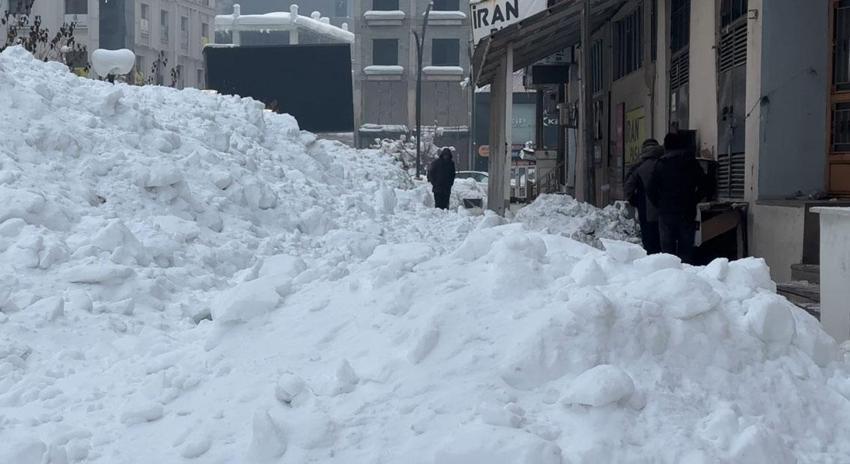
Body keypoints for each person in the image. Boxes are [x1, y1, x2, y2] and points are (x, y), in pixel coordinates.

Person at [648, 132, 710, 264]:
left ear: (666, 146)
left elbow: (650, 189)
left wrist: (659, 204)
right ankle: (685, 278)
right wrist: (695, 198)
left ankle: (670, 277)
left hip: (666, 213)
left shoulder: (660, 165)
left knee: (667, 251)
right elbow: (705, 184)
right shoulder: (691, 163)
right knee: (686, 249)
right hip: (687, 212)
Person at [624, 139, 664, 254]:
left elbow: (628, 188)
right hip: (666, 211)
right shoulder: (665, 164)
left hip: (646, 210)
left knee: (650, 243)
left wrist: (634, 201)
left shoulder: (638, 167)